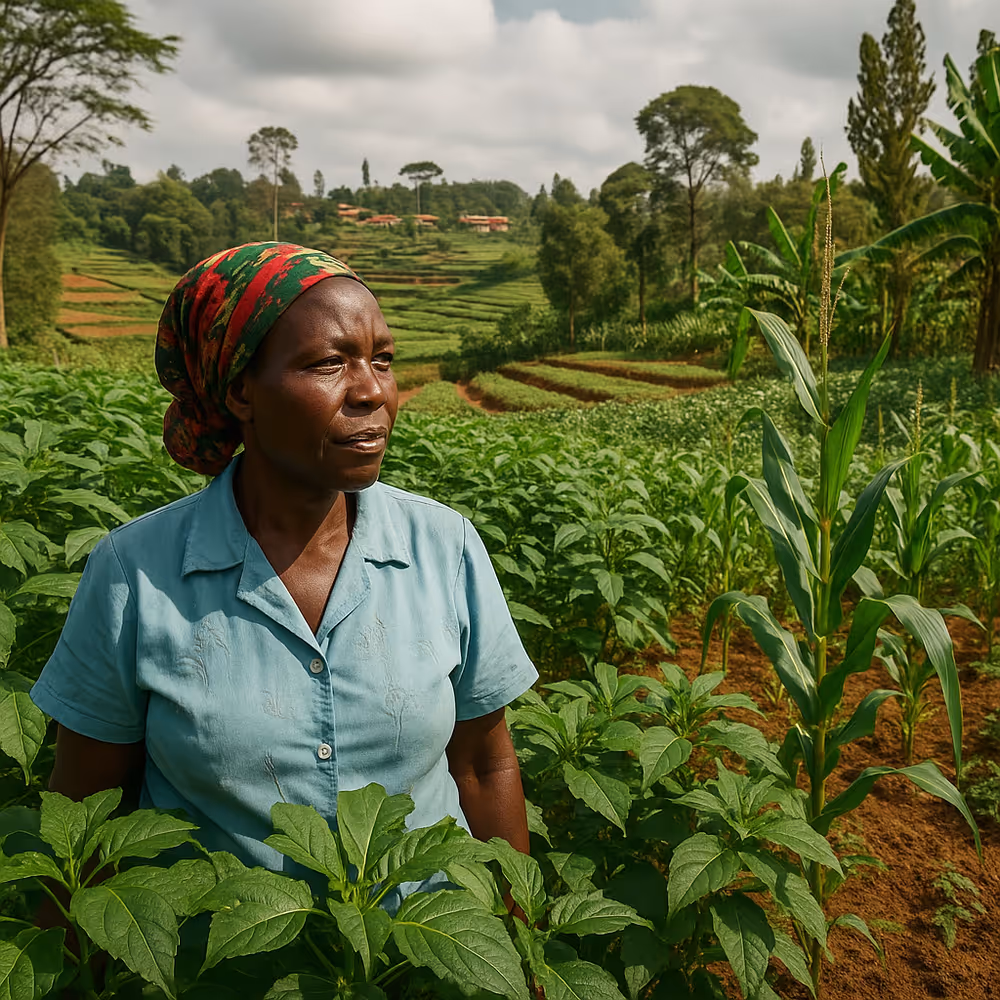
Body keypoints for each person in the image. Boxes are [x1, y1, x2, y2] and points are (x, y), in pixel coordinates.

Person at [30, 242, 538, 886]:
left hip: (425, 954)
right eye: (330, 363)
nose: (372, 392)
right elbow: (89, 811)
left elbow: (484, 767)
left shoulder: (446, 546)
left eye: (382, 359)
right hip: (220, 965)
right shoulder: (135, 573)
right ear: (241, 390)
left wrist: (521, 946)